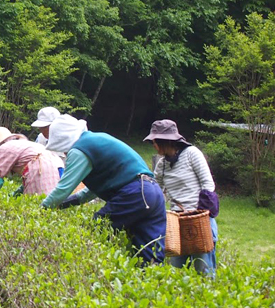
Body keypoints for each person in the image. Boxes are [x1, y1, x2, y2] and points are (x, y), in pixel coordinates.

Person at [41, 114, 167, 265]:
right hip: (152, 192)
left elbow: (63, 188)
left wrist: (41, 209)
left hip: (135, 193)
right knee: (149, 253)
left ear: (62, 140)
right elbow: (88, 193)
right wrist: (64, 204)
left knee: (98, 228)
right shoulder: (95, 140)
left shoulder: (79, 149)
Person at [145, 119, 218, 276]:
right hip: (176, 223)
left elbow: (208, 185)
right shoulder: (162, 164)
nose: (153, 145)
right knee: (176, 272)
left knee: (204, 271)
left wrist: (196, 214)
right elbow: (156, 191)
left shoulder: (192, 154)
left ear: (164, 141)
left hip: (198, 221)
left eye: (154, 142)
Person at [0, 127, 62, 197]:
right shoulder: (24, 144)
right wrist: (14, 195)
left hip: (40, 166)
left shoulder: (5, 147)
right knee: (52, 203)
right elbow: (28, 183)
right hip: (58, 165)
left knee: (38, 205)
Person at [31, 106, 66, 172]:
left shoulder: (67, 141)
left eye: (45, 127)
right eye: (40, 127)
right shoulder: (40, 138)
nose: (42, 130)